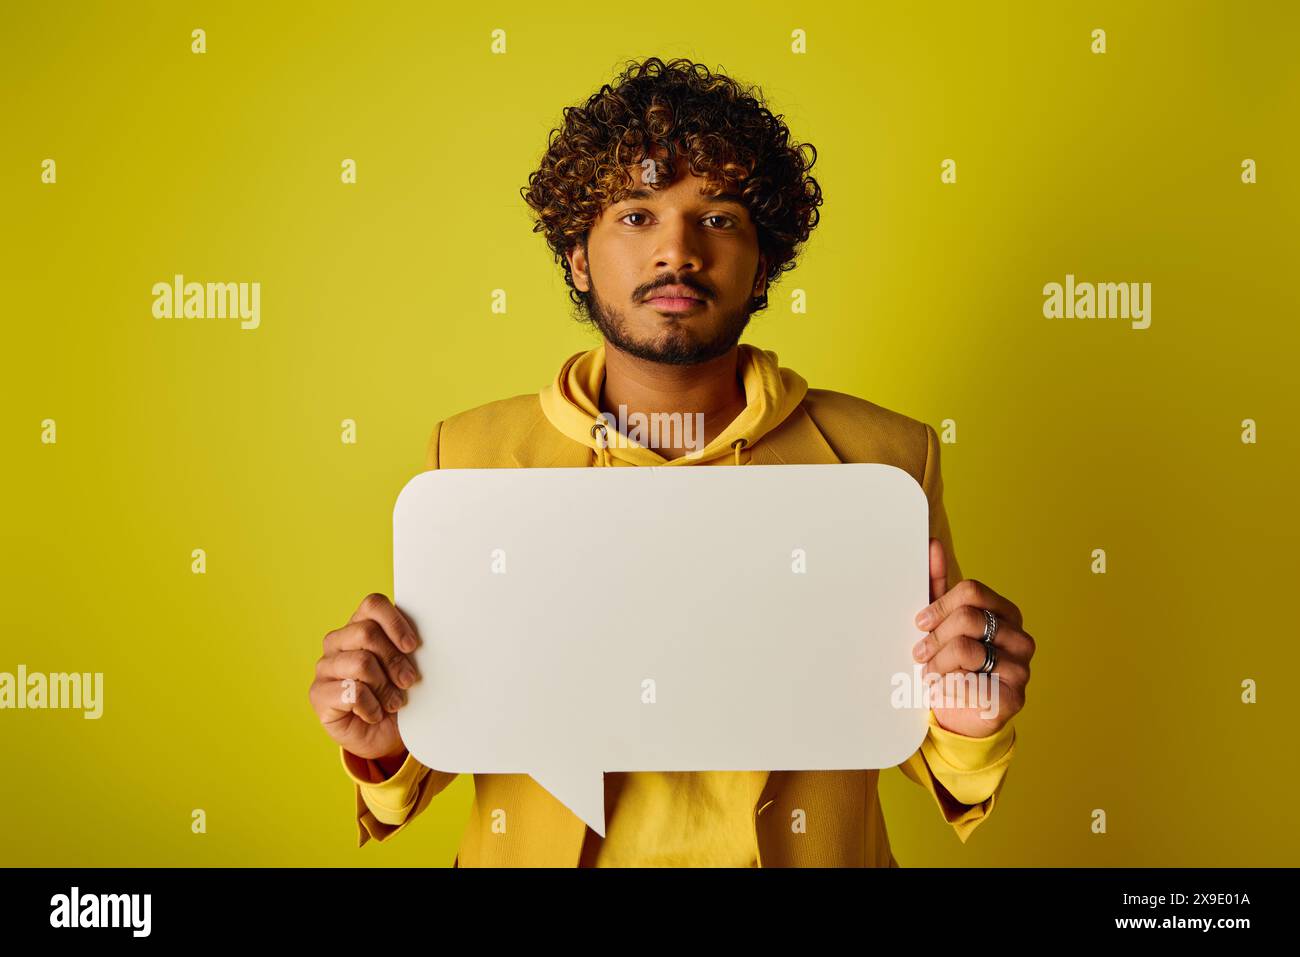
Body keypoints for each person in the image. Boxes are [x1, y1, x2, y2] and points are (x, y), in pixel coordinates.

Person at [308, 56, 1036, 867]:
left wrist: (971, 708)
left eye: (718, 217)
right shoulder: (472, 458)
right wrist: (381, 736)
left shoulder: (882, 459)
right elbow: (448, 723)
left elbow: (929, 742)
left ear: (763, 265)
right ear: (578, 258)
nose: (677, 251)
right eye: (636, 215)